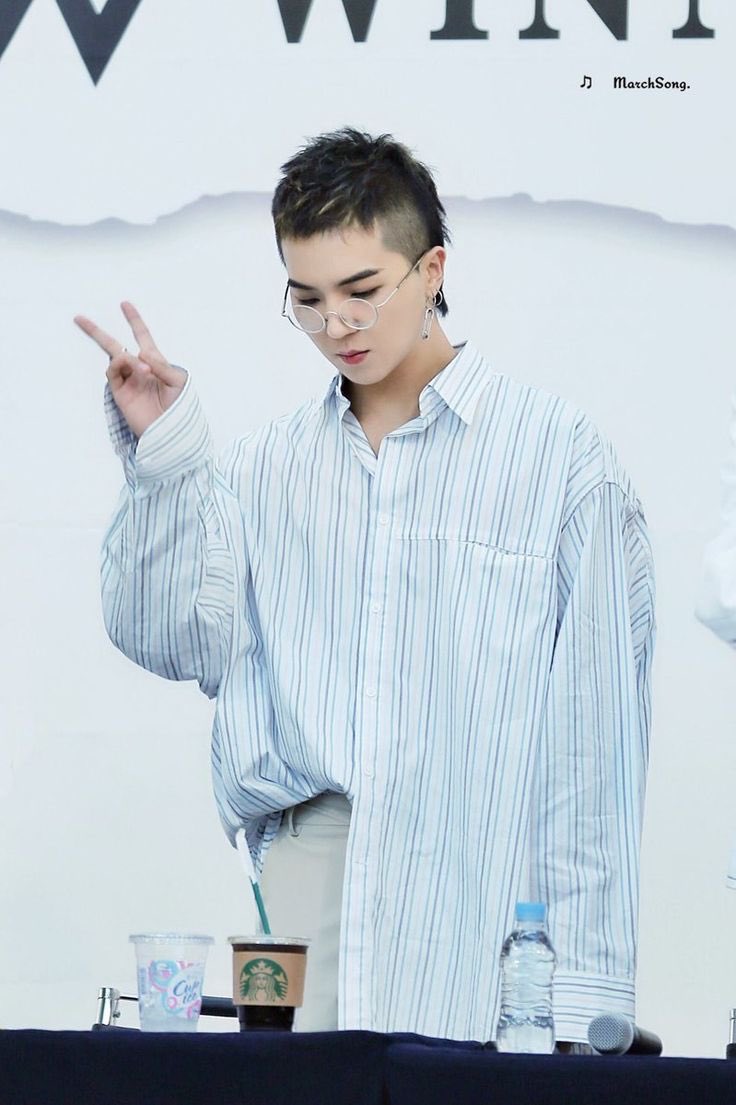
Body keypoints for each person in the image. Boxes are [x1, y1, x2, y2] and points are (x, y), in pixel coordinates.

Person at [75, 128, 655, 1044]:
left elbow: (593, 753)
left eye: (361, 291)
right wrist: (166, 458)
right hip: (315, 876)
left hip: (487, 889)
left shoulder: (559, 461)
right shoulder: (263, 471)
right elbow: (167, 637)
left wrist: (584, 1007)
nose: (336, 325)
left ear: (432, 270)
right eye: (306, 300)